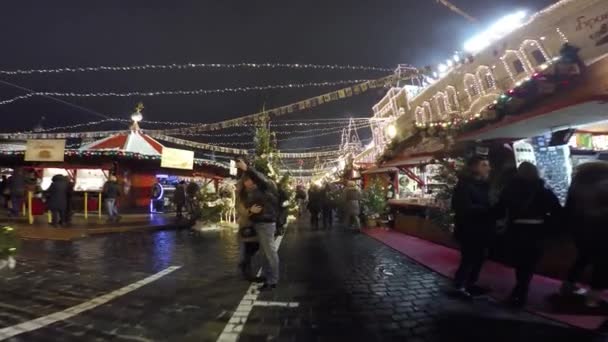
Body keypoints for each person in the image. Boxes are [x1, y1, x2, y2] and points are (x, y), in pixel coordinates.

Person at [496, 162, 562, 307]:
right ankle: (521, 290)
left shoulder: (510, 189)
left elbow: (499, 209)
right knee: (529, 263)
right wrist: (547, 223)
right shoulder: (542, 190)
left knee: (520, 262)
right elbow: (557, 211)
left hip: (516, 230)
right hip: (536, 231)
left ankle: (519, 290)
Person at [559, 161, 608, 307]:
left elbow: (569, 208)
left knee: (584, 257)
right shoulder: (604, 185)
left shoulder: (577, 184)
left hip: (581, 228)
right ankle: (593, 297)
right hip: (602, 227)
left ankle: (567, 286)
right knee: (602, 263)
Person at [451, 156, 494, 297]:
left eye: (488, 165)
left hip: (482, 229)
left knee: (479, 258)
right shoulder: (464, 186)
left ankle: (470, 284)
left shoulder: (484, 185)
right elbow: (463, 208)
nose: (488, 168)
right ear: (474, 167)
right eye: (484, 165)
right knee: (469, 258)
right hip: (469, 229)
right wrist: (487, 209)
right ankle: (460, 285)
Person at [236, 159, 280, 290]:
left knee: (269, 253)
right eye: (245, 180)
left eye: (249, 179)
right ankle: (267, 278)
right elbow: (240, 206)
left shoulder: (265, 185)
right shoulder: (252, 191)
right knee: (265, 253)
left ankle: (272, 280)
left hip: (265, 223)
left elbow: (260, 179)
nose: (247, 182)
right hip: (258, 224)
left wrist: (247, 168)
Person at [236, 178, 260, 280]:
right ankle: (247, 272)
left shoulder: (254, 192)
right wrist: (251, 210)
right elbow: (240, 209)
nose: (251, 183)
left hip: (254, 224)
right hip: (246, 225)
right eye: (248, 181)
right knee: (248, 248)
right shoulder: (241, 196)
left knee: (253, 247)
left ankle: (244, 265)